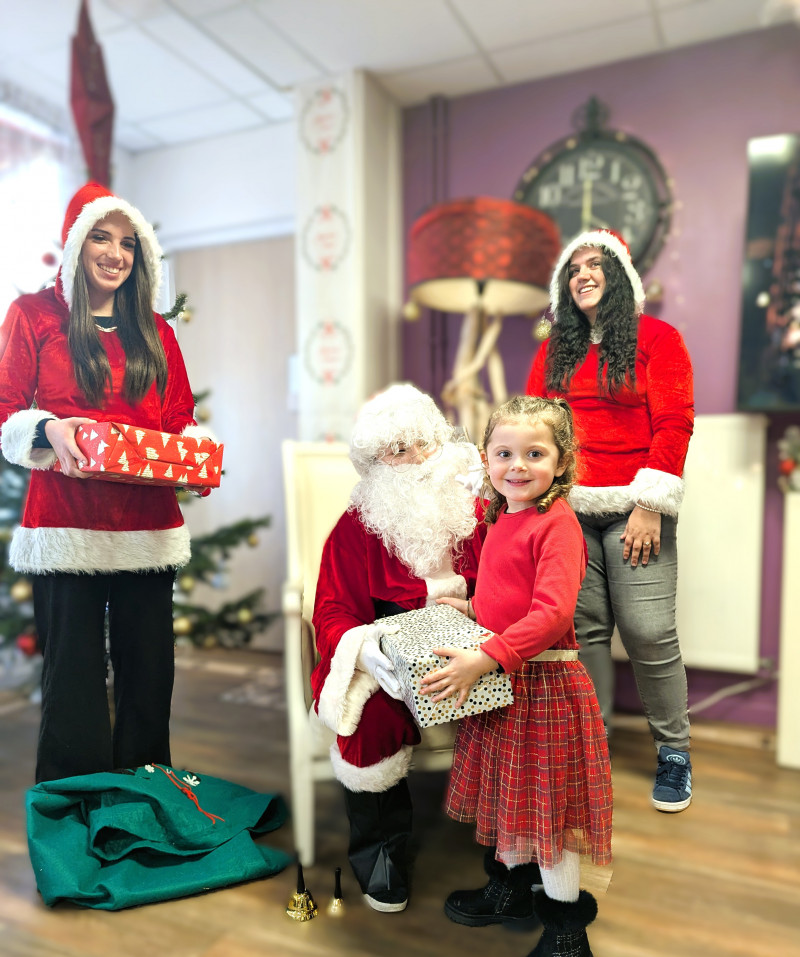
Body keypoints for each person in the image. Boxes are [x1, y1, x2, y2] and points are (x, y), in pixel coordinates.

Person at [0, 182, 203, 784]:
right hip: (64, 527)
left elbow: (180, 419)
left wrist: (195, 454)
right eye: (100, 236)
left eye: (128, 243)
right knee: (72, 681)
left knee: (148, 677)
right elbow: (5, 410)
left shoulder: (156, 333)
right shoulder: (34, 315)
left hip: (147, 529)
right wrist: (46, 429)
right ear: (74, 243)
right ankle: (72, 807)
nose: (116, 253)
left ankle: (144, 798)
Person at [420, 395, 612, 957]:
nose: (518, 466)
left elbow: (551, 615)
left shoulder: (558, 525)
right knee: (513, 800)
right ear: (486, 459)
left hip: (543, 686)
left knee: (547, 811)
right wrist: (473, 612)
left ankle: (567, 934)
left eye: (535, 453)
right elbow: (506, 594)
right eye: (505, 453)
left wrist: (486, 655)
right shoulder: (504, 516)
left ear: (562, 460)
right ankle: (508, 890)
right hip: (505, 682)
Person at [526, 229, 695, 813]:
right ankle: (590, 747)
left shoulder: (658, 338)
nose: (583, 275)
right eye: (573, 269)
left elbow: (674, 422)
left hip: (635, 507)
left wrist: (651, 502)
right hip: (570, 510)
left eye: (596, 264)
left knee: (648, 631)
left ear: (619, 274)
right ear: (563, 285)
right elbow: (530, 427)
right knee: (586, 632)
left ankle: (674, 753)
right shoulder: (554, 350)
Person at [311, 383, 485, 913]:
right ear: (375, 463)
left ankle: (515, 849)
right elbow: (332, 607)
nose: (411, 460)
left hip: (475, 638)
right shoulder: (355, 527)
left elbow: (510, 584)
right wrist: (361, 651)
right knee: (371, 714)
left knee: (520, 700)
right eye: (396, 450)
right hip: (387, 645)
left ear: (440, 443)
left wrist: (480, 618)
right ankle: (379, 852)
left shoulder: (478, 510)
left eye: (420, 445)